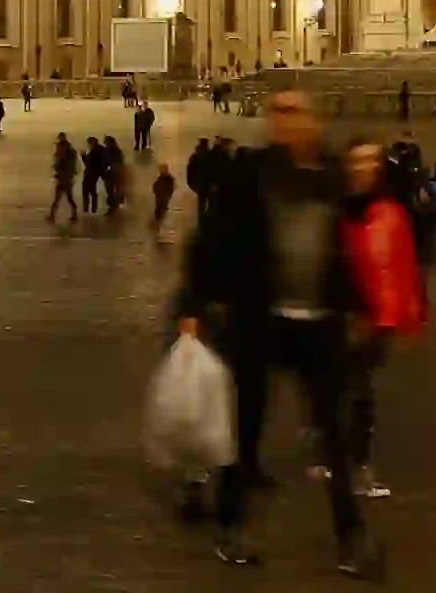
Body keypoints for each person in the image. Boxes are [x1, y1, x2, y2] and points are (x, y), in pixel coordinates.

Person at [174, 89, 379, 577]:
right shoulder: (252, 172)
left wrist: (359, 305)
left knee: (333, 435)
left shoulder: (331, 175)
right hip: (260, 320)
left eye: (294, 111)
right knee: (245, 432)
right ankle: (231, 526)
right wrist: (194, 302)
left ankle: (350, 537)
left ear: (313, 119)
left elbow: (345, 248)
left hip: (318, 324)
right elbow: (211, 236)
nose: (284, 120)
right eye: (277, 112)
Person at [338, 140, 425, 497]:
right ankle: (348, 463)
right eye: (356, 161)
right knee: (350, 394)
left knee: (358, 393)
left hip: (374, 321)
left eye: (371, 161)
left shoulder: (391, 212)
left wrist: (407, 311)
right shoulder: (336, 208)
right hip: (342, 317)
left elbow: (403, 265)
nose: (363, 168)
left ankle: (351, 463)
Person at [50, 134, 82, 222]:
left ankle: (52, 216)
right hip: (65, 178)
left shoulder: (67, 155)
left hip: (65, 179)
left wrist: (58, 170)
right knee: (67, 198)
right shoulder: (69, 153)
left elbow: (65, 166)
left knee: (61, 198)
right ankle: (73, 215)